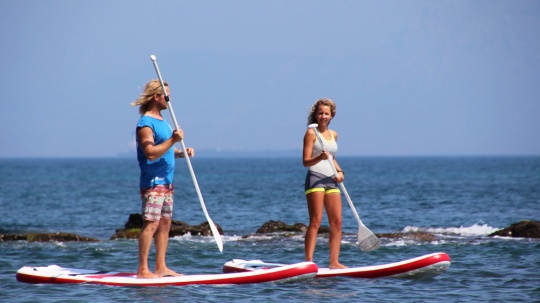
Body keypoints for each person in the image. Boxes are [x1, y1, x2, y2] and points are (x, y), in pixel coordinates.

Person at [130, 79, 195, 279]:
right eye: (167, 95)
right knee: (151, 223)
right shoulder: (145, 124)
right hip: (153, 182)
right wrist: (173, 140)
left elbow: (164, 150)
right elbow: (150, 152)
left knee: (165, 224)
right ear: (157, 97)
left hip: (167, 182)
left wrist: (180, 152)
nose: (170, 99)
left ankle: (161, 267)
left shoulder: (162, 121)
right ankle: (143, 269)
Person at [302, 98, 346, 269]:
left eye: (326, 113)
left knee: (337, 222)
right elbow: (306, 161)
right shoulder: (311, 133)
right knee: (316, 220)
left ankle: (334, 262)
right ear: (316, 115)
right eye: (320, 113)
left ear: (331, 115)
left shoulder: (334, 134)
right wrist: (318, 157)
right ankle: (308, 262)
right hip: (315, 178)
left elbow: (332, 159)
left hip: (331, 179)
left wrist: (340, 172)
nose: (323, 116)